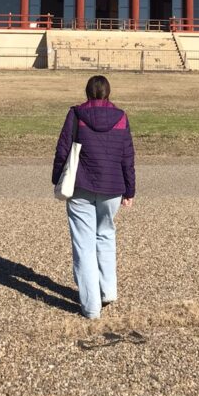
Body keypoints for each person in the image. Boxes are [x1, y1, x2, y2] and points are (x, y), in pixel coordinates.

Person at [52, 74, 136, 320]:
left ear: (87, 92)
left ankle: (91, 307)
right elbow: (127, 156)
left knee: (84, 244)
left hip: (81, 186)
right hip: (112, 186)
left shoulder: (77, 115)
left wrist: (58, 178)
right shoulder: (121, 117)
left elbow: (63, 149)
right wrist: (130, 189)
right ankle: (108, 290)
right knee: (106, 235)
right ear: (108, 93)